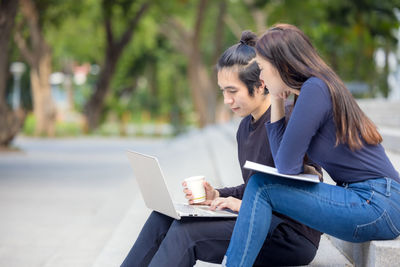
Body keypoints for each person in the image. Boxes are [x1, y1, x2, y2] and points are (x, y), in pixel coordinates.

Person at [120, 31, 322, 267]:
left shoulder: (287, 122)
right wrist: (217, 195)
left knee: (187, 234)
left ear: (260, 85)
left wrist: (244, 205)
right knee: (162, 217)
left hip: (290, 235)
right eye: (223, 91)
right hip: (258, 219)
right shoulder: (245, 127)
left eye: (232, 91)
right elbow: (255, 186)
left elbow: (306, 188)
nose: (226, 100)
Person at [222, 23, 400, 267]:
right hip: (366, 199)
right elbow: (287, 161)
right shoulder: (309, 93)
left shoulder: (315, 89)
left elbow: (284, 166)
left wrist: (274, 98)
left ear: (281, 65)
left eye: (262, 68)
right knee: (260, 185)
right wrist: (276, 100)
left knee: (261, 187)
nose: (261, 78)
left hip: (378, 203)